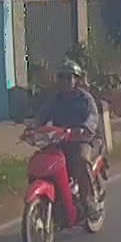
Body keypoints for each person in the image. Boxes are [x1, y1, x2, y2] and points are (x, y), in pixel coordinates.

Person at [31, 60, 102, 216]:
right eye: (62, 77)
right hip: (60, 141)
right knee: (42, 161)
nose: (65, 81)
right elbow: (42, 115)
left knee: (81, 160)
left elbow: (92, 117)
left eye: (69, 77)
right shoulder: (54, 99)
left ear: (76, 80)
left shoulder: (85, 99)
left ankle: (89, 202)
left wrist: (83, 128)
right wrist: (32, 128)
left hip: (82, 140)